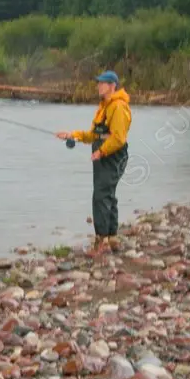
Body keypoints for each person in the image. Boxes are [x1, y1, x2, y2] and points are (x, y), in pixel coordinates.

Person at [56, 70, 131, 252]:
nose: (99, 86)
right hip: (105, 154)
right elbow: (93, 135)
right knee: (107, 194)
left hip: (112, 155)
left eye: (102, 83)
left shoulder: (118, 107)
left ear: (112, 85)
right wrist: (72, 134)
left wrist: (101, 152)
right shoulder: (105, 106)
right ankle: (112, 238)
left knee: (101, 196)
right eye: (98, 82)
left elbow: (119, 138)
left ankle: (101, 241)